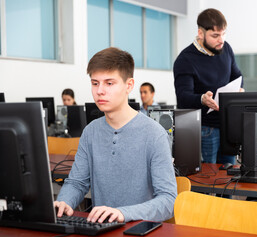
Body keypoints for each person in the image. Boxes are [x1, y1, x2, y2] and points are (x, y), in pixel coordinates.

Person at [54, 47, 177, 223]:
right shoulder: (90, 132)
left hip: (139, 231)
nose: (100, 91)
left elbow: (168, 201)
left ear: (129, 86)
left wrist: (123, 213)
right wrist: (63, 202)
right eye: (95, 83)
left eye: (109, 83)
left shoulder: (154, 134)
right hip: (102, 230)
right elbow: (76, 183)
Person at [173, 8, 243, 165]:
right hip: (205, 128)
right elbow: (183, 97)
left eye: (224, 34)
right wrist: (202, 99)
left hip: (227, 124)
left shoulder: (226, 49)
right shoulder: (185, 60)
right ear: (200, 33)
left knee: (229, 176)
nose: (221, 40)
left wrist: (240, 88)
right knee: (208, 177)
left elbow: (237, 75)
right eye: (215, 36)